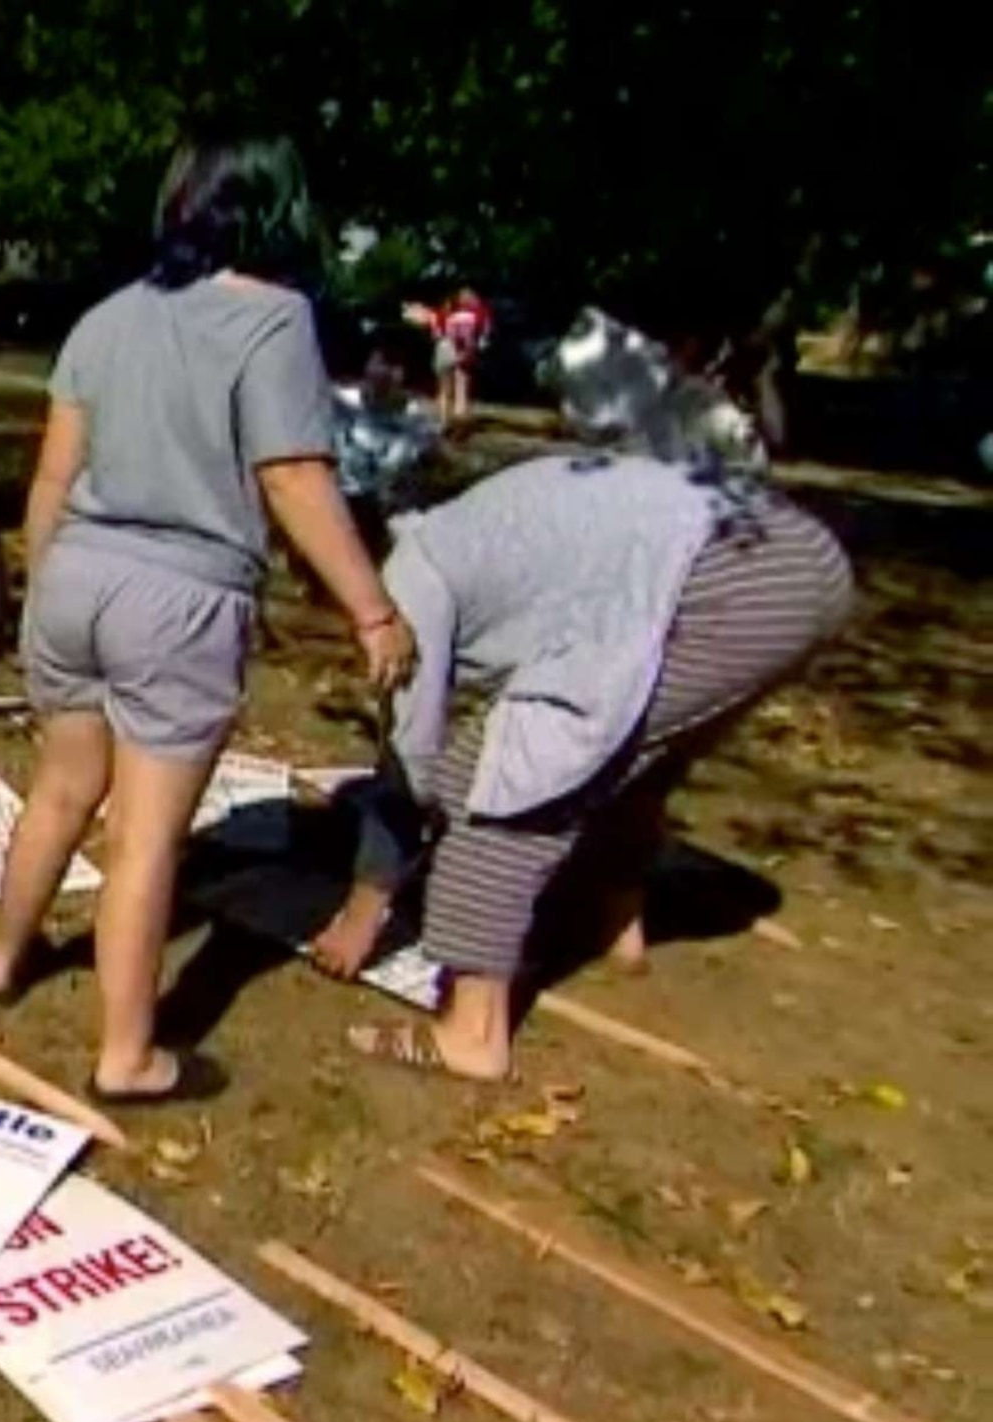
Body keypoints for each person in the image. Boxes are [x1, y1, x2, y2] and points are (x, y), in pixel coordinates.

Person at [0, 137, 416, 1106]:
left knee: (60, 787)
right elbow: (293, 473)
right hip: (179, 596)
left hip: (76, 576)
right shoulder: (275, 322)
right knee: (144, 837)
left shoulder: (105, 316)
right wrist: (372, 608)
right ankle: (129, 1053)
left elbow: (52, 476)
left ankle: (5, 957)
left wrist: (45, 594)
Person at [312, 328, 849, 1083]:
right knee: (631, 760)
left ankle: (471, 1035)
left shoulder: (406, 582)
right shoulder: (460, 529)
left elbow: (415, 762)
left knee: (493, 783)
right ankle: (616, 925)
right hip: (799, 557)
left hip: (720, 573)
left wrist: (367, 904)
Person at [429, 287, 492, 428]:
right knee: (461, 385)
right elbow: (484, 337)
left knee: (444, 388)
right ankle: (459, 419)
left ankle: (443, 421)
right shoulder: (478, 314)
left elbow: (436, 334)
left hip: (444, 348)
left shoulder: (445, 312)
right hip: (465, 351)